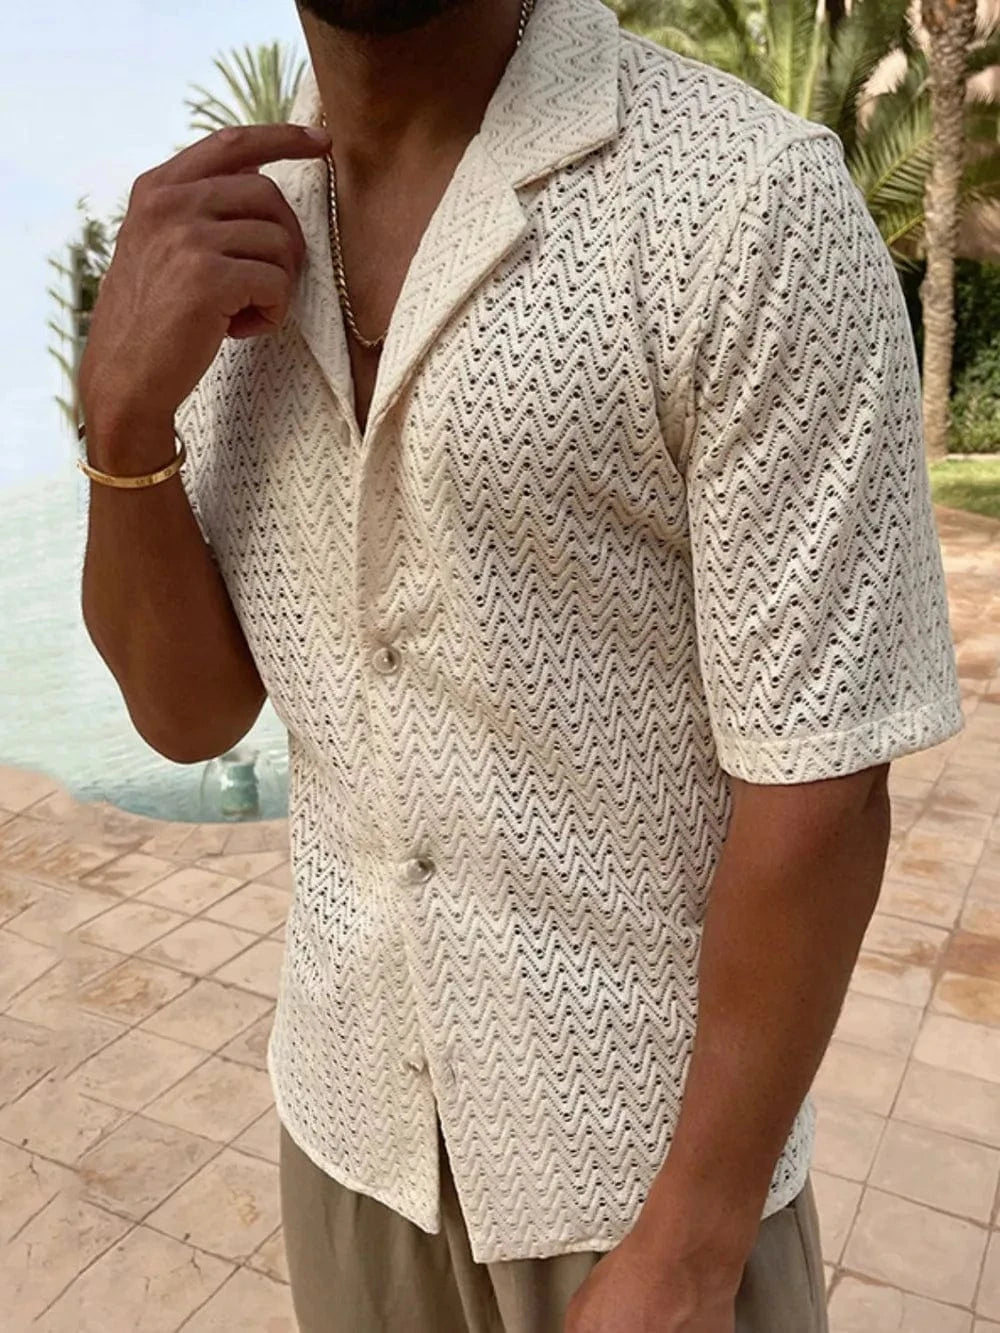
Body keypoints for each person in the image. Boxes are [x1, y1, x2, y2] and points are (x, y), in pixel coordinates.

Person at [77, 0, 964, 1329]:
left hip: (643, 1185)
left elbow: (820, 772)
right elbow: (190, 715)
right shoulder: (221, 241)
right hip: (352, 1142)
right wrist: (121, 416)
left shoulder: (743, 203)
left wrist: (695, 1242)